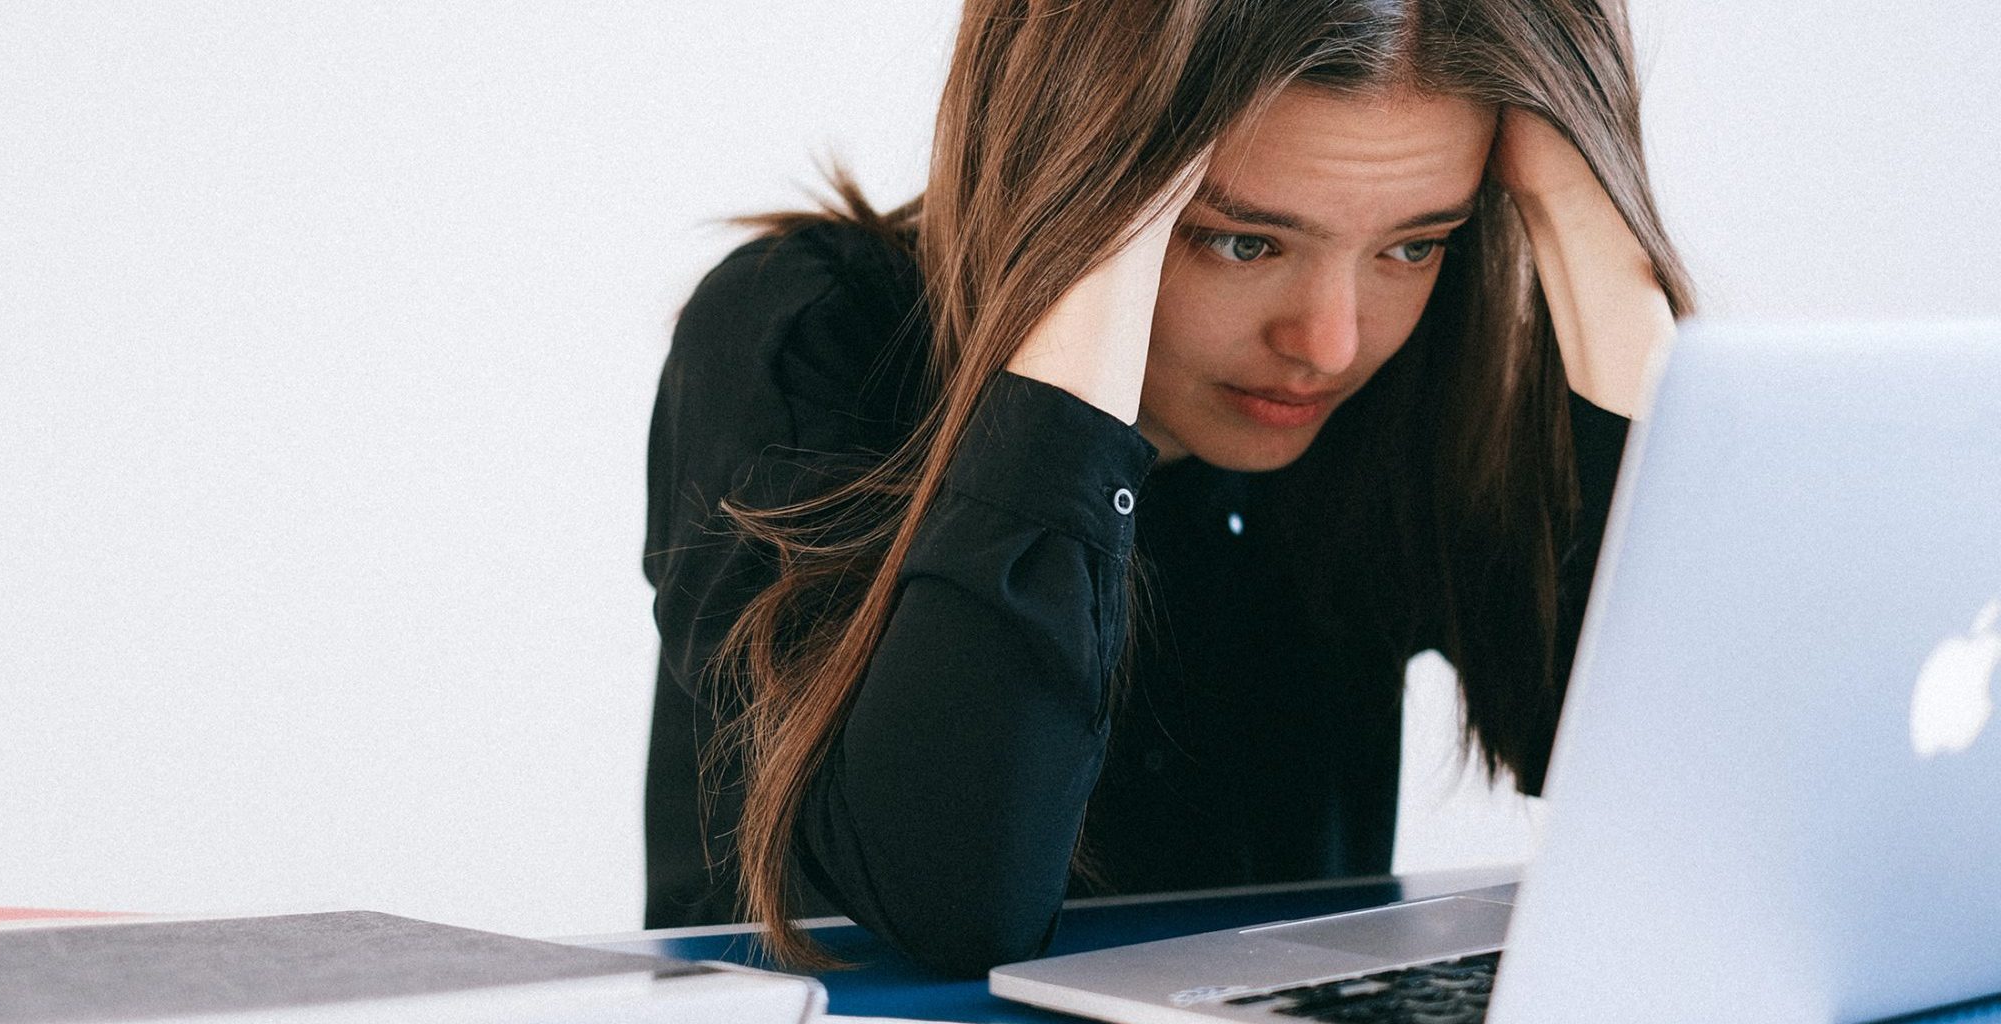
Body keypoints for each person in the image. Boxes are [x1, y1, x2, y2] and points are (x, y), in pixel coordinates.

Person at [644, 0, 1693, 977]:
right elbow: (950, 903)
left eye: (1410, 245)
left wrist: (1594, 222)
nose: (1328, 343)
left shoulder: (1408, 382)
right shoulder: (807, 336)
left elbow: (1697, 796)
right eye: (1239, 240)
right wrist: (1080, 279)